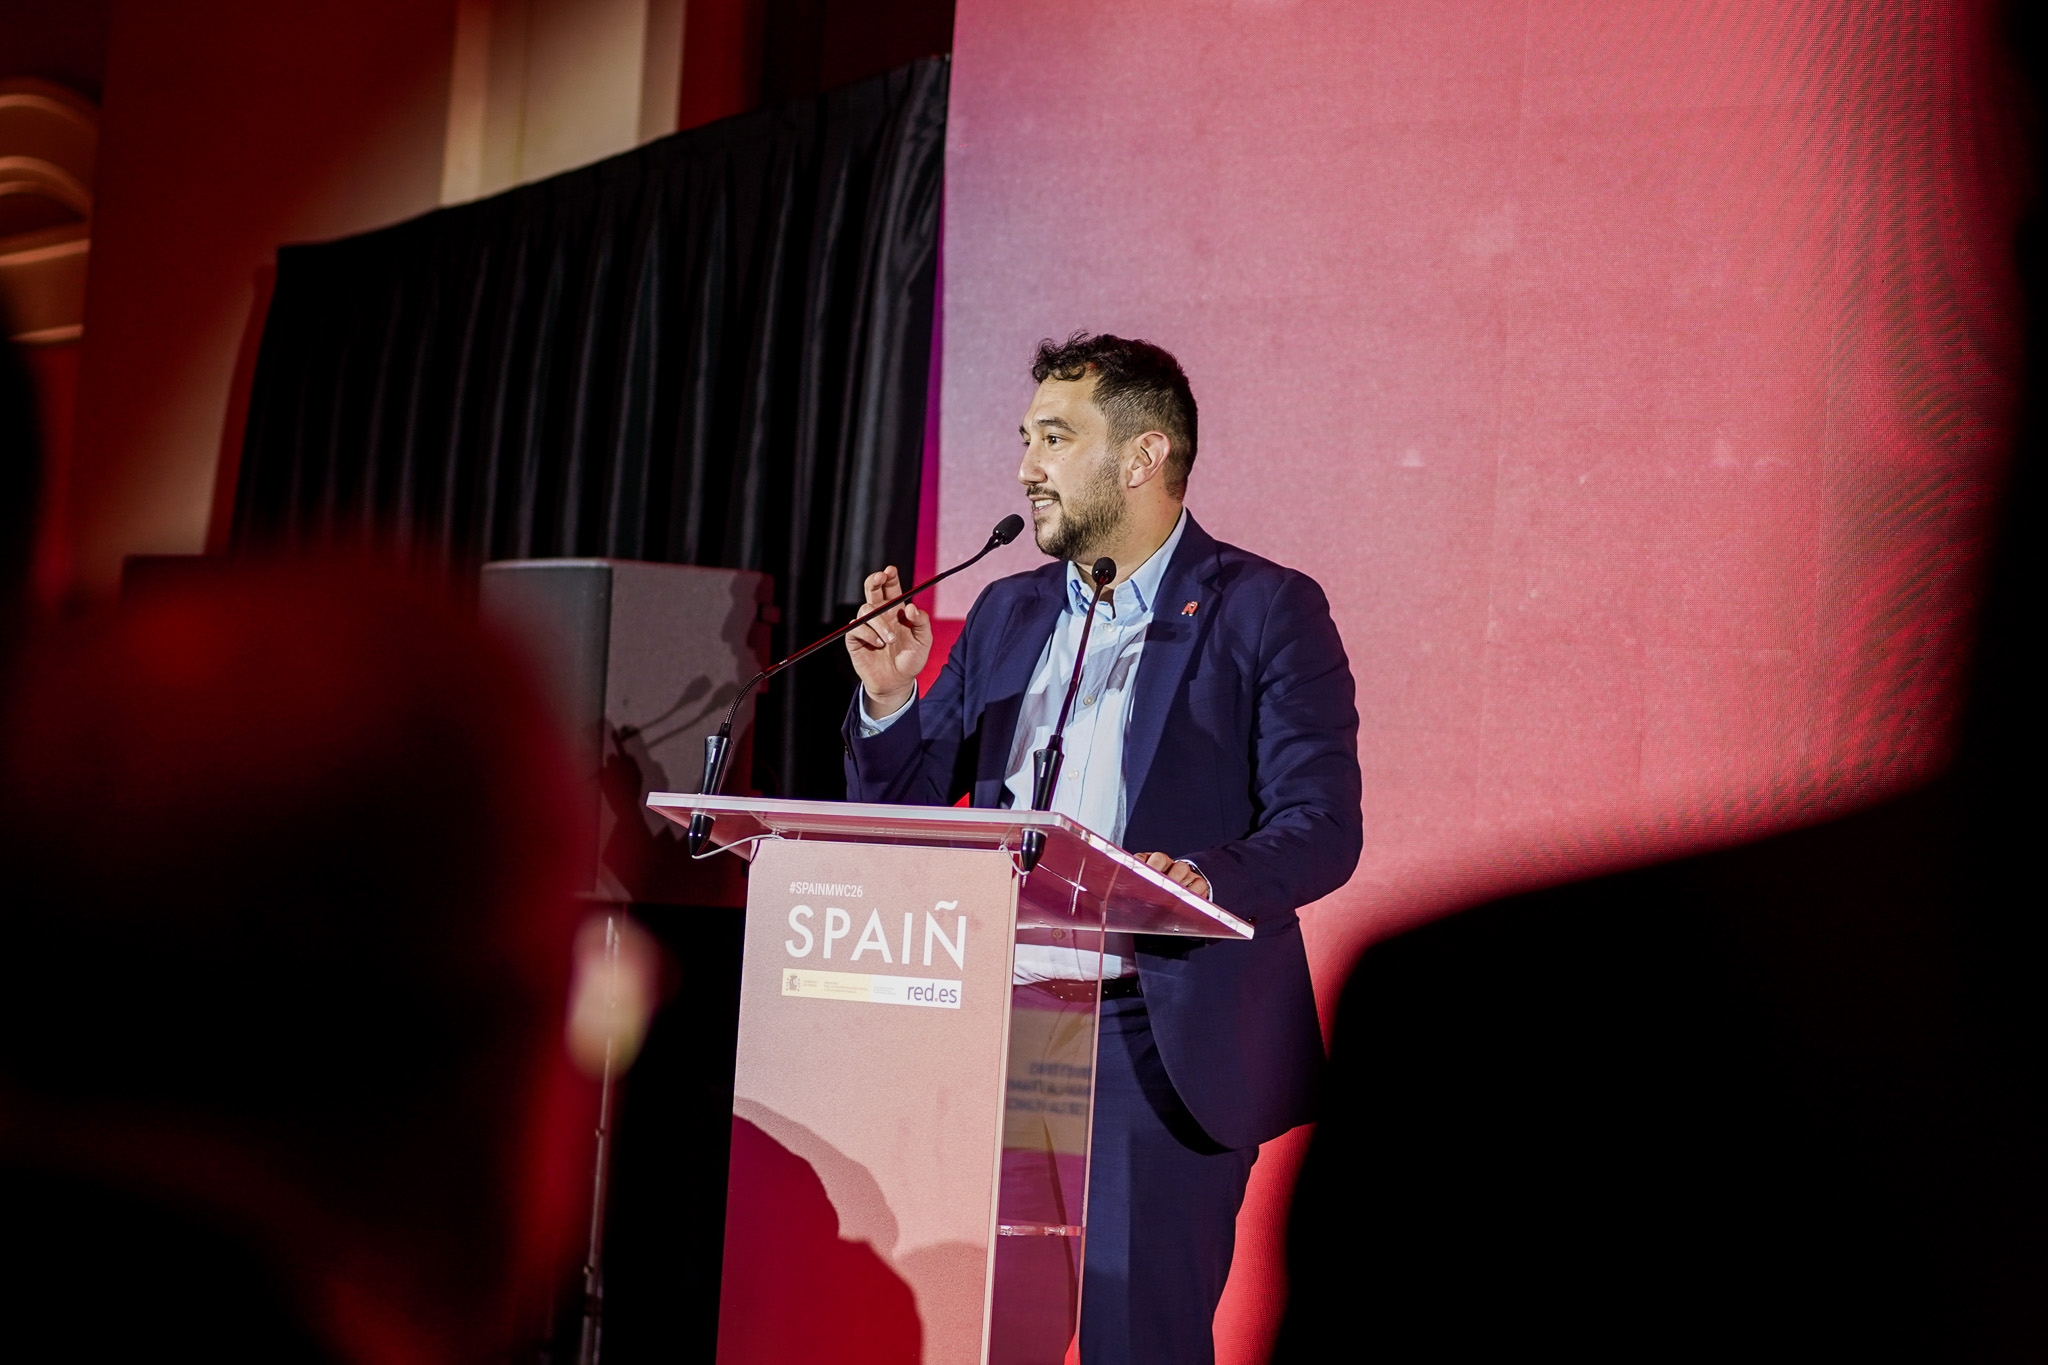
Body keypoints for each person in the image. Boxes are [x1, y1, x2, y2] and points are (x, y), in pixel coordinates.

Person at [842, 333, 1363, 1364]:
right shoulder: (1010, 610)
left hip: (1151, 1034)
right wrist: (892, 695)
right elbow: (902, 806)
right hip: (998, 1027)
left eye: (1054, 438)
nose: (1025, 467)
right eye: (1025, 438)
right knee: (987, 1338)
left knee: (1139, 1342)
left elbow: (1321, 824)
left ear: (1141, 455)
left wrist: (1200, 880)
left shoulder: (1262, 607)